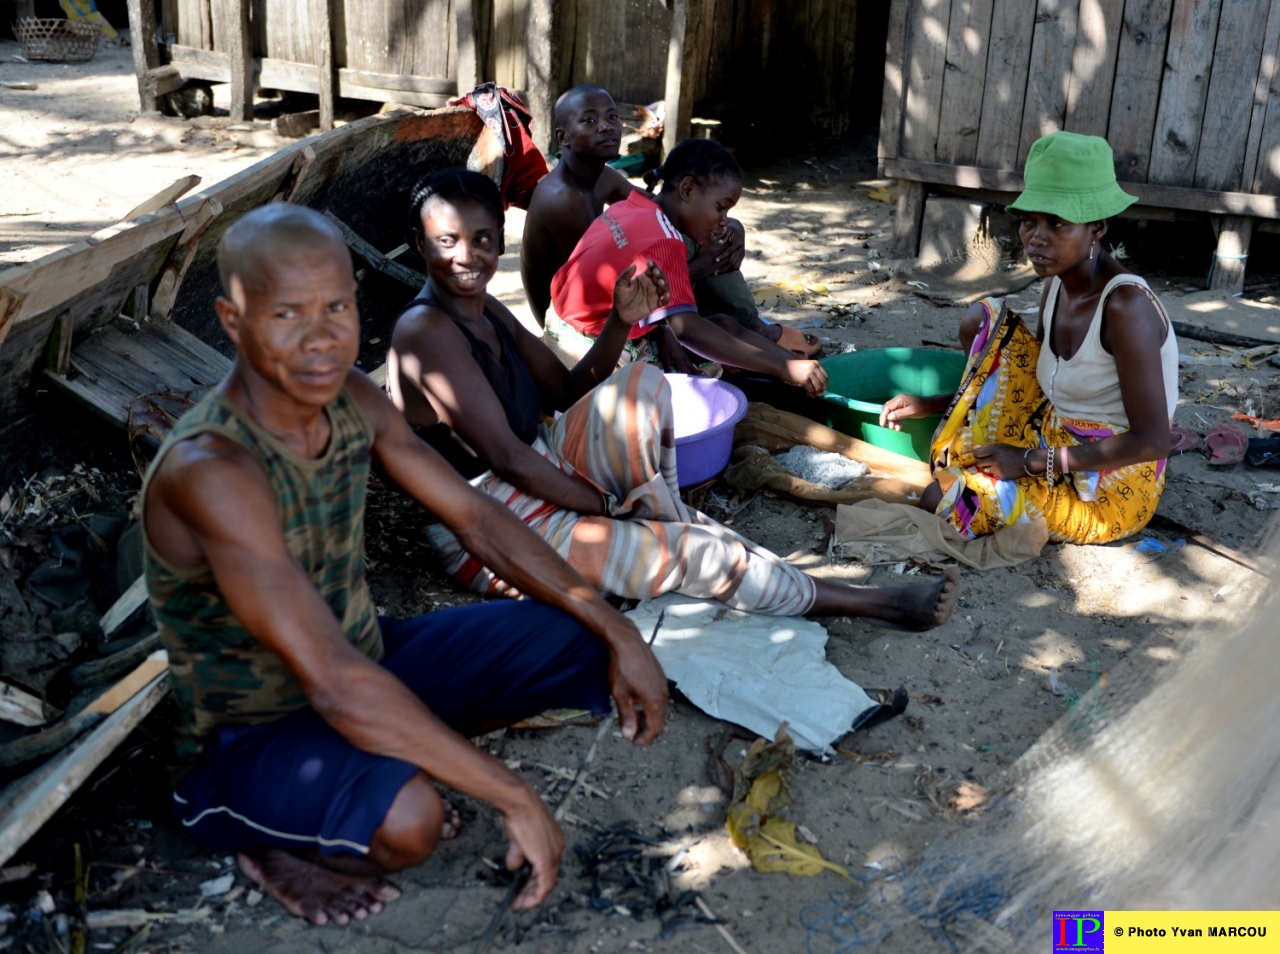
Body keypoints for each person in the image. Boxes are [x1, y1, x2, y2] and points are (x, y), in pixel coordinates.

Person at [141, 204, 668, 926]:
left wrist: (619, 629)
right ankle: (253, 829)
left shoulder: (351, 396)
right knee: (411, 824)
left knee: (578, 632)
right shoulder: (215, 469)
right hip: (253, 730)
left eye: (337, 307)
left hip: (368, 657)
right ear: (233, 322)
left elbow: (477, 517)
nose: (322, 338)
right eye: (287, 314)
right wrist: (511, 794)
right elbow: (330, 683)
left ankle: (384, 761)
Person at [387, 169, 960, 634]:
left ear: (499, 241)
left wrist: (620, 322)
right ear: (420, 245)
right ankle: (873, 604)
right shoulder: (426, 332)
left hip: (539, 469)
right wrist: (605, 506)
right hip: (489, 526)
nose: (468, 256)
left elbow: (566, 392)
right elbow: (506, 459)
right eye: (447, 242)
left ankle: (662, 518)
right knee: (691, 551)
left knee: (643, 385)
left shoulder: (486, 308)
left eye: (482, 240)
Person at [879, 131, 1178, 544]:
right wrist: (936, 404)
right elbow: (1038, 386)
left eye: (1057, 224)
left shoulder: (1127, 308)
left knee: (945, 498)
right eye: (1028, 221)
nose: (1036, 238)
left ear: (1097, 227)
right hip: (1053, 433)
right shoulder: (1057, 282)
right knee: (982, 319)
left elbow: (1153, 442)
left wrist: (1033, 461)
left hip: (1110, 482)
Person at [521, 84, 820, 358]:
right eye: (590, 121)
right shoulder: (562, 199)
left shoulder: (601, 175)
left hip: (611, 298)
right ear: (563, 137)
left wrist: (728, 228)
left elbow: (664, 209)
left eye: (612, 117)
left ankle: (748, 327)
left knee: (705, 237)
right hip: (582, 322)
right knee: (694, 270)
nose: (606, 127)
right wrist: (702, 267)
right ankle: (745, 335)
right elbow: (606, 285)